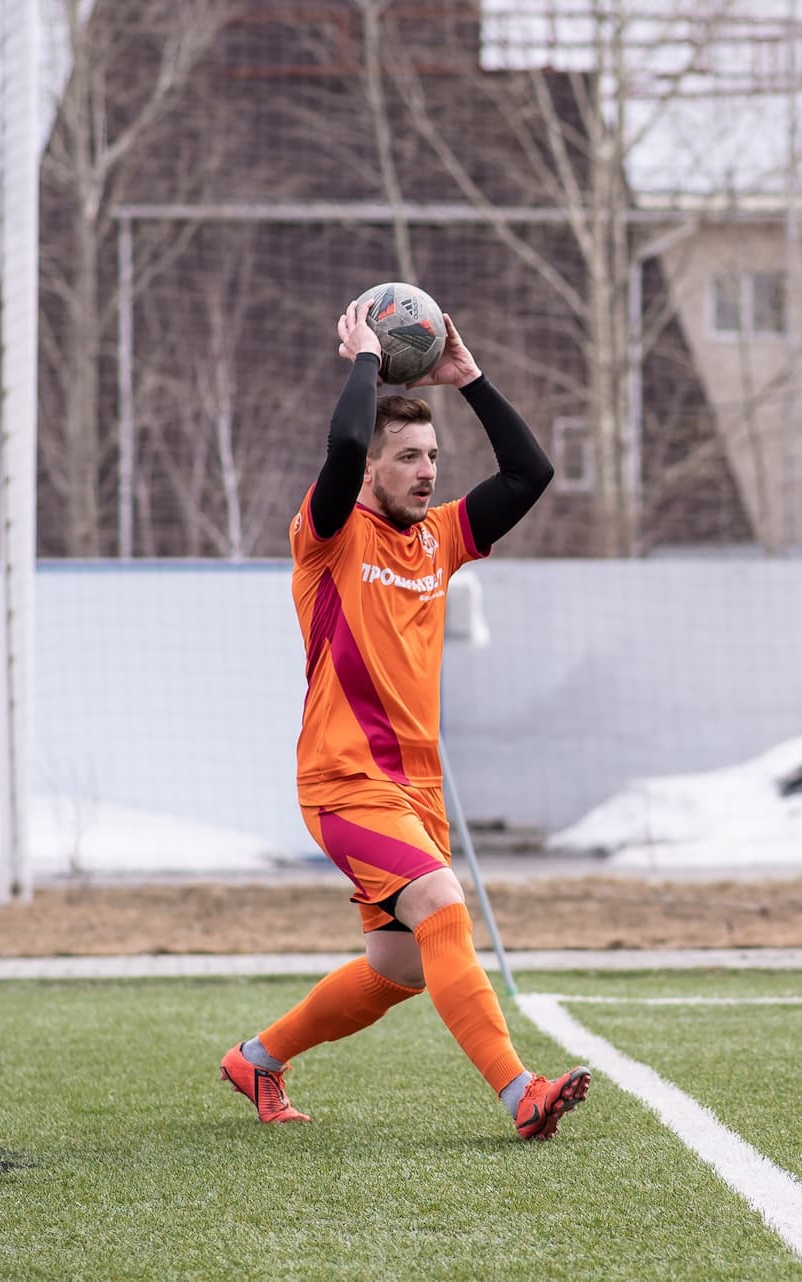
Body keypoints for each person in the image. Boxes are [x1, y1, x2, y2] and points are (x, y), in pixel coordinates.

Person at [220, 297, 590, 1141]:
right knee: (440, 903)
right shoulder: (329, 534)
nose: (427, 471)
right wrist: (360, 359)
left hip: (413, 789)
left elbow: (531, 475)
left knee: (398, 969)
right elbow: (345, 443)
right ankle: (519, 1093)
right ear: (368, 473)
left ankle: (258, 1058)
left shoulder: (442, 538)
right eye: (409, 458)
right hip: (344, 781)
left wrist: (471, 380)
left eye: (433, 456)